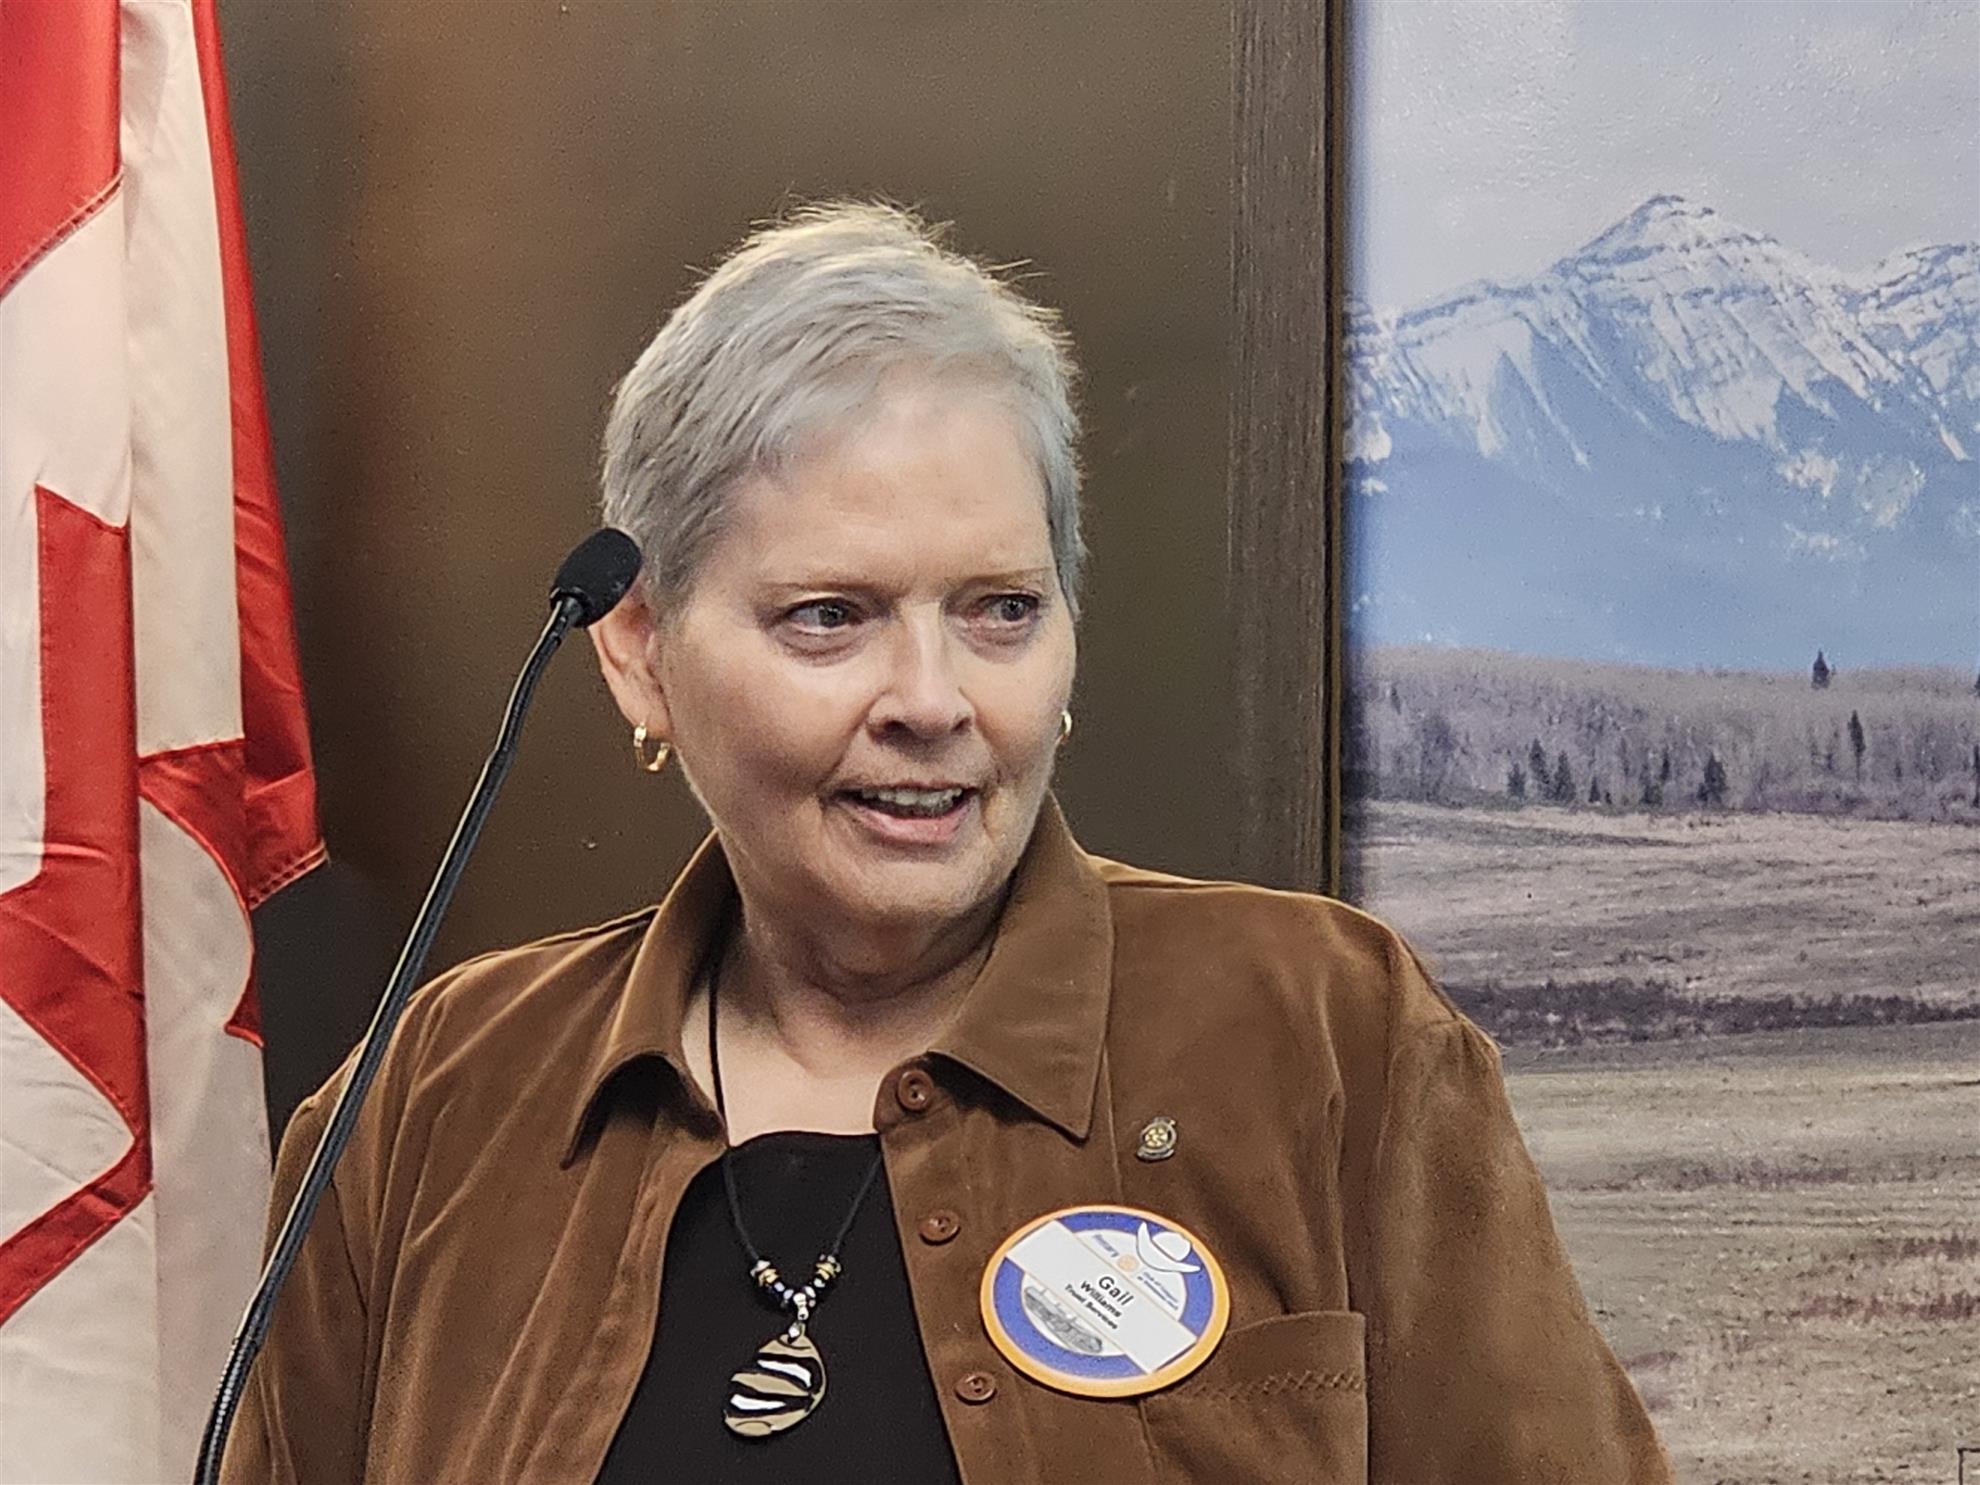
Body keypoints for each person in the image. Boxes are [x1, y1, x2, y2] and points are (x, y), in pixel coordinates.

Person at [223, 202, 1674, 1484]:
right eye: (830, 617)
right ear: (640, 652)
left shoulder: (1328, 1034)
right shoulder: (434, 1104)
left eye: (1000, 611)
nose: (933, 701)